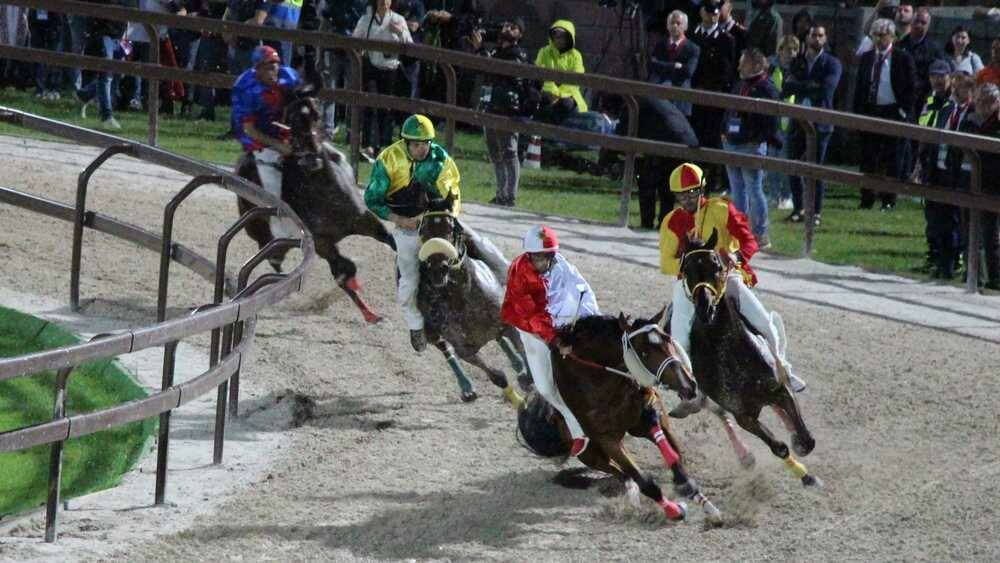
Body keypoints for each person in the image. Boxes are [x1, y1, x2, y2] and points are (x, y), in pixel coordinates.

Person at [659, 163, 807, 398]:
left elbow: (750, 241)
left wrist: (734, 257)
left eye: (692, 192)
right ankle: (686, 384)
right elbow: (666, 262)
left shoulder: (721, 209)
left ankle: (783, 367)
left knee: (764, 322)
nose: (687, 199)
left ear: (702, 189)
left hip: (726, 277)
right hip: (691, 283)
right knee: (678, 332)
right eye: (681, 195)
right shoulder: (672, 221)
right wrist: (692, 265)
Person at [501, 225, 600, 458]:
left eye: (545, 257)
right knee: (546, 387)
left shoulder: (562, 265)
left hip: (558, 320)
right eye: (536, 257)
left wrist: (594, 322)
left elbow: (584, 292)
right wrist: (555, 340)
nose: (541, 262)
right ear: (528, 255)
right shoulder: (519, 272)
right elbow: (532, 316)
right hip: (531, 329)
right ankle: (578, 430)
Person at [364, 114, 461, 349]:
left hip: (439, 222)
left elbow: (455, 192)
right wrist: (399, 219)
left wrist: (449, 217)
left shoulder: (441, 159)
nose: (421, 149)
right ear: (405, 142)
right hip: (407, 227)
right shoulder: (388, 160)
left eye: (425, 144)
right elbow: (371, 199)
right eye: (416, 145)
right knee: (409, 277)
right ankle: (416, 325)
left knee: (468, 254)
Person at [231, 45, 301, 237]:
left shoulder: (289, 76)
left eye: (276, 65)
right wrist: (278, 145)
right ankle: (279, 232)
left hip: (283, 129)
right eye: (268, 67)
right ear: (258, 69)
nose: (274, 70)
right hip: (257, 137)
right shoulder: (247, 88)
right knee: (272, 181)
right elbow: (250, 129)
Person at [912, 70, 973, 280]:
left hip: (956, 173)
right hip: (937, 168)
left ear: (970, 89)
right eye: (954, 86)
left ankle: (955, 262)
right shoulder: (946, 108)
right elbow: (931, 133)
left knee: (954, 220)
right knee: (937, 218)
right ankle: (941, 262)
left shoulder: (972, 112)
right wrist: (922, 163)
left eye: (961, 87)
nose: (955, 91)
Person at [853, 18, 917, 211]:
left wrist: (903, 112)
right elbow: (859, 88)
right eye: (876, 35)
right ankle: (867, 198)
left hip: (893, 110)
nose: (879, 39)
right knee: (868, 157)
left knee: (893, 159)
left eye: (883, 35)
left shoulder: (902, 58)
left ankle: (888, 200)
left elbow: (911, 88)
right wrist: (858, 114)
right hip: (871, 110)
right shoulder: (866, 58)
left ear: (892, 36)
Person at [782, 25, 842, 226]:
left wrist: (803, 86)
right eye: (813, 35)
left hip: (820, 124)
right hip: (797, 120)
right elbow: (787, 86)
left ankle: (815, 211)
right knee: (793, 166)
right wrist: (810, 86)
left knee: (815, 169)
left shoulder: (832, 63)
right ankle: (798, 208)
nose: (816, 39)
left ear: (825, 39)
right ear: (806, 38)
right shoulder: (798, 62)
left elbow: (826, 90)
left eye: (820, 35)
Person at [722, 48, 779, 248]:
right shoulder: (739, 84)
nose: (739, 67)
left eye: (743, 63)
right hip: (732, 141)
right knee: (737, 190)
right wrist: (724, 131)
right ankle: (739, 232)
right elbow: (728, 108)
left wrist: (758, 139)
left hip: (750, 145)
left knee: (754, 189)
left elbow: (773, 121)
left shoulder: (767, 87)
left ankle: (760, 234)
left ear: (756, 65)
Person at [472, 17, 531, 207]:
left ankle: (510, 196)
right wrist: (479, 49)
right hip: (490, 105)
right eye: (506, 24)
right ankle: (500, 194)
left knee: (509, 152)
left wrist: (482, 50)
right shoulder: (497, 51)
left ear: (520, 35)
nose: (507, 28)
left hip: (508, 110)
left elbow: (499, 70)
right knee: (495, 153)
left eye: (513, 27)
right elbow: (483, 68)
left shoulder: (518, 53)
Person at [353, 0, 413, 161]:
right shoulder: (366, 20)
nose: (384, 2)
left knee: (386, 110)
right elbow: (354, 39)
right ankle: (368, 146)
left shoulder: (398, 19)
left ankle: (385, 146)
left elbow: (410, 44)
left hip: (390, 70)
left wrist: (400, 32)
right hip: (371, 67)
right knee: (369, 105)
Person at [648, 9, 700, 119]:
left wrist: (663, 65)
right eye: (672, 23)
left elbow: (688, 72)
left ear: (685, 26)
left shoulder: (693, 48)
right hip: (659, 95)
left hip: (680, 99)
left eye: (678, 23)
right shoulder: (660, 45)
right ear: (667, 26)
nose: (675, 26)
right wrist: (675, 66)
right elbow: (652, 66)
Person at [534, 19, 587, 124]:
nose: (558, 39)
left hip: (568, 94)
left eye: (562, 36)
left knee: (565, 104)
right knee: (539, 100)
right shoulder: (544, 51)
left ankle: (552, 136)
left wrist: (560, 94)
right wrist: (552, 92)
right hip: (546, 90)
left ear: (569, 38)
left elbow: (576, 79)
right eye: (556, 36)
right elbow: (540, 72)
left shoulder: (576, 55)